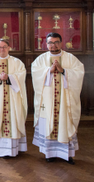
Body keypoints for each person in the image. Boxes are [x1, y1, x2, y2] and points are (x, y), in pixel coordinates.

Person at [32, 32, 84, 165]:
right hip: (48, 101)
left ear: (60, 43)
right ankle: (49, 154)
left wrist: (63, 70)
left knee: (65, 122)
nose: (53, 45)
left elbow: (79, 73)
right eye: (50, 42)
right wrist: (48, 71)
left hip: (65, 101)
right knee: (49, 123)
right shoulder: (41, 59)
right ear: (46, 44)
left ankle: (67, 154)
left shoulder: (70, 58)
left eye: (55, 42)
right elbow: (36, 74)